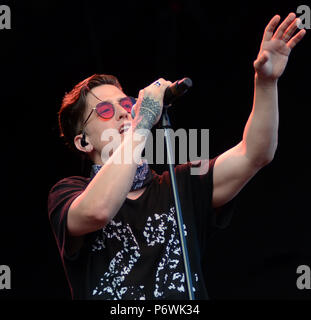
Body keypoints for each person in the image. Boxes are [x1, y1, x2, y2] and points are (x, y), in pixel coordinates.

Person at [48, 13, 306, 300]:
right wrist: (141, 124)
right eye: (105, 111)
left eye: (126, 103)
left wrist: (266, 82)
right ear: (83, 142)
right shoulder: (68, 193)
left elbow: (254, 154)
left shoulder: (179, 185)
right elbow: (99, 210)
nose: (123, 111)